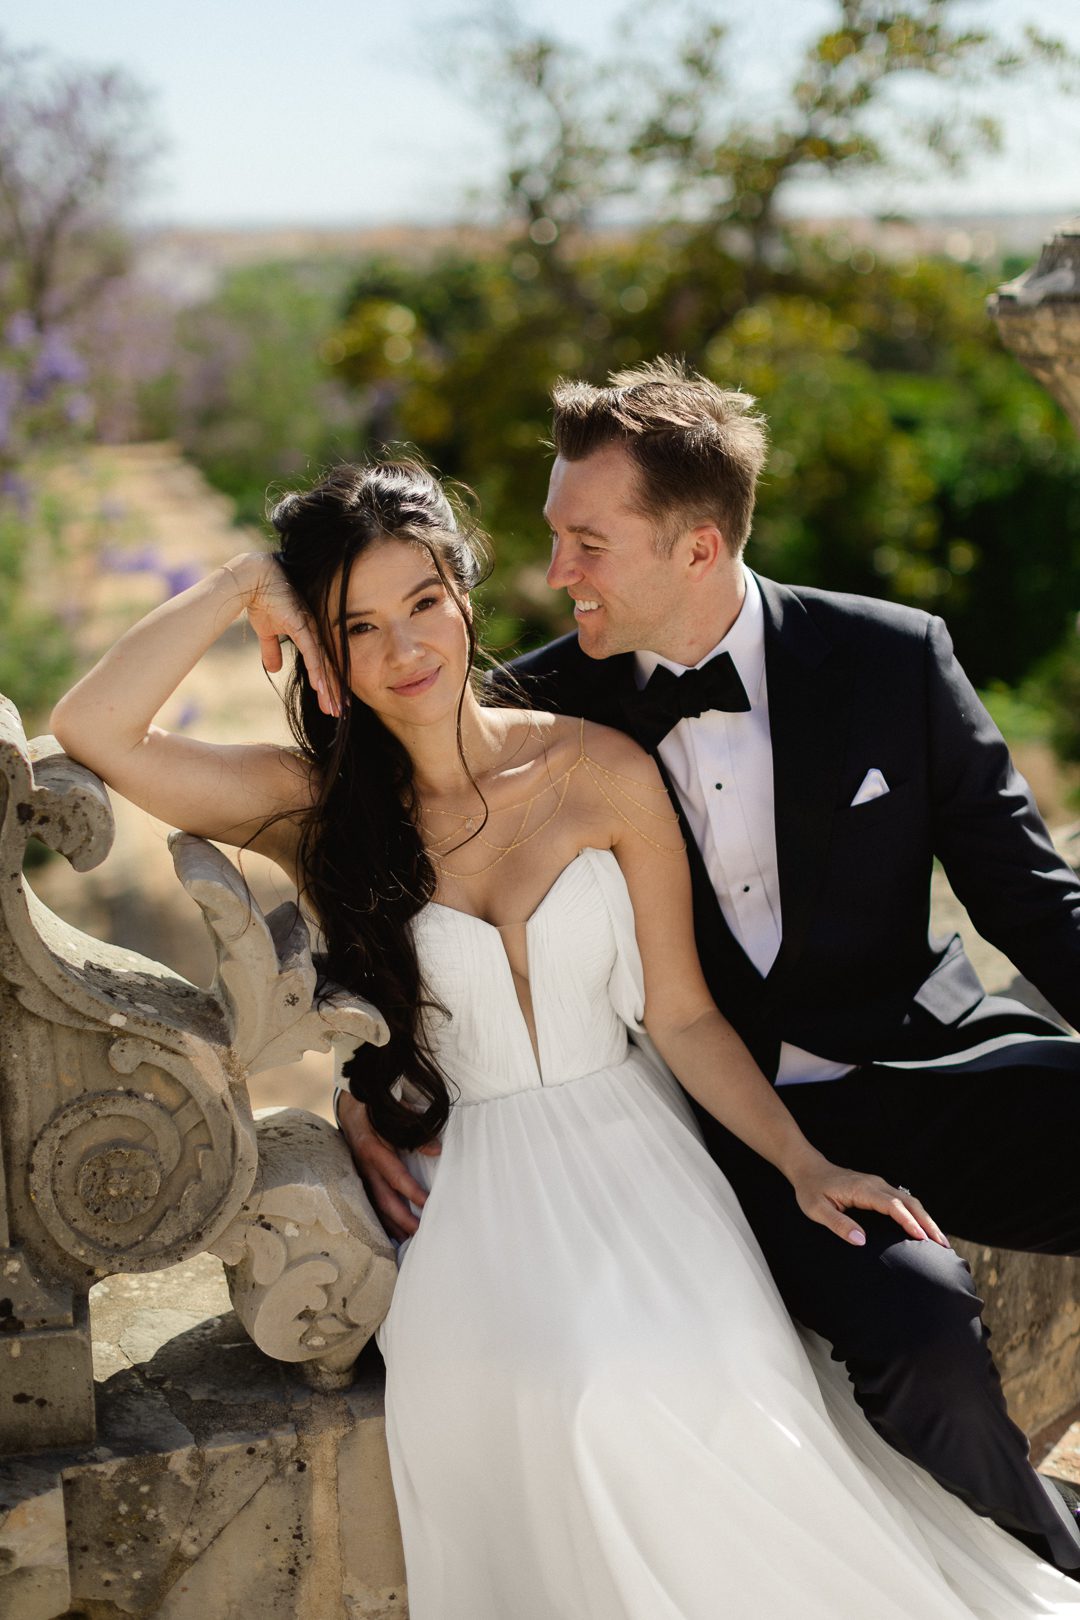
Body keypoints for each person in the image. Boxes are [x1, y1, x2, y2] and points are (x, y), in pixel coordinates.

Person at [52, 459, 1080, 1618]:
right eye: (359, 627)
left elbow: (682, 1013)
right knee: (584, 1391)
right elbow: (92, 728)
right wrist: (244, 580)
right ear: (323, 651)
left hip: (650, 1158)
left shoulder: (599, 766)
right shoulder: (315, 806)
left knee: (705, 1382)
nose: (405, 648)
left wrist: (804, 1165)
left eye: (424, 603)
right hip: (474, 1189)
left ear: (465, 595)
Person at [339, 362, 1080, 1579]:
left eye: (587, 543)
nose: (557, 572)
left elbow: (1035, 901)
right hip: (725, 1135)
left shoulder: (892, 658)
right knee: (926, 1345)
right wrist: (367, 1087)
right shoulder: (538, 717)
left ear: (698, 547)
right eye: (555, 538)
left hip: (925, 1071)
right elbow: (416, 916)